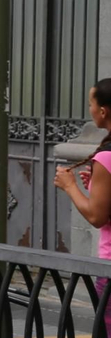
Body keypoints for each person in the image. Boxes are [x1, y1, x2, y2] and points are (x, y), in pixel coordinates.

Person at [53, 78, 111, 260]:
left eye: (90, 104)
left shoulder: (106, 156)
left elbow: (96, 217)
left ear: (102, 111)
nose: (90, 110)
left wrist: (70, 185)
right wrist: (98, 190)